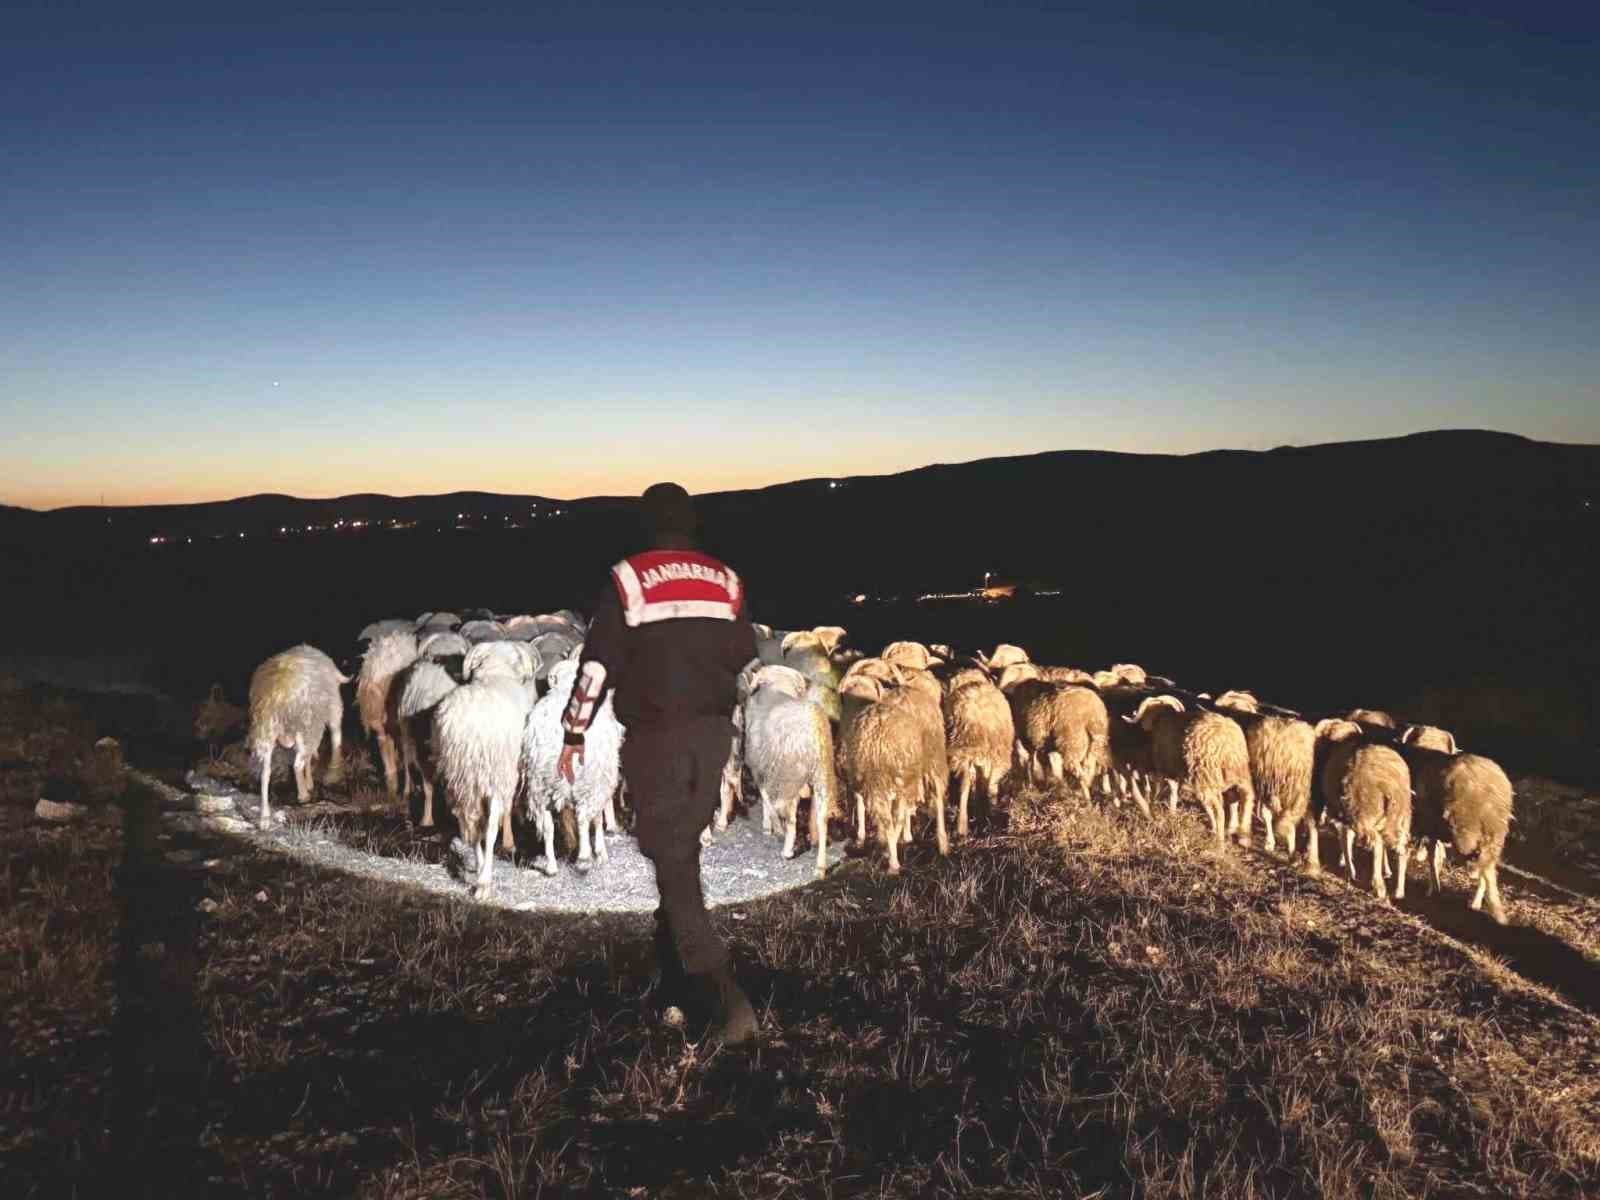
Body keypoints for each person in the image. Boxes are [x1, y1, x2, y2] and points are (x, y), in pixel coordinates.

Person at [557, 482, 760, 1044]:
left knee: (671, 857)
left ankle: (725, 1000)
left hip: (657, 738)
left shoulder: (628, 578)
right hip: (712, 737)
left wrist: (573, 731)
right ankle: (673, 982)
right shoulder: (725, 579)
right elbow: (744, 654)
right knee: (681, 846)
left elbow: (596, 667)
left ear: (647, 524)